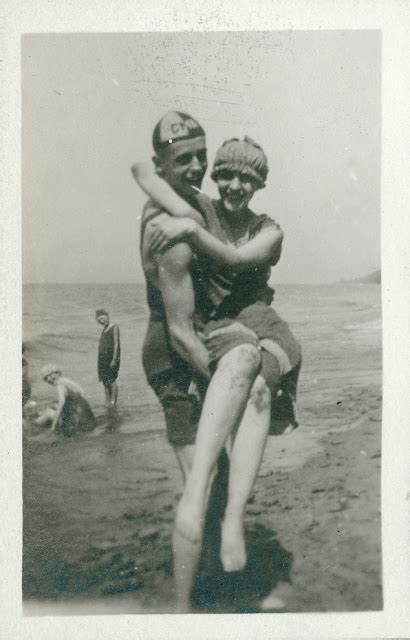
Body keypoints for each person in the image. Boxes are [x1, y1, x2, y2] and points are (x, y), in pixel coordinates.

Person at [133, 136, 301, 610]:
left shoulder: (269, 228)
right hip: (214, 341)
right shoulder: (202, 208)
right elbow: (147, 177)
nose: (233, 185)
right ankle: (193, 602)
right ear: (214, 176)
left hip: (259, 329)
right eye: (224, 173)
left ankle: (226, 541)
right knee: (206, 477)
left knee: (261, 389)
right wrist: (172, 212)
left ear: (260, 183)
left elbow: (236, 260)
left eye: (246, 178)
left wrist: (186, 231)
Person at [35, 364, 96, 436]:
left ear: (56, 373)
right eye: (45, 379)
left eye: (49, 376)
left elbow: (62, 402)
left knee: (48, 414)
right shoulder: (67, 382)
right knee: (53, 406)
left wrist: (53, 427)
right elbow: (76, 399)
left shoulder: (60, 384)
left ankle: (34, 424)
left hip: (77, 421)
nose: (48, 380)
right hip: (87, 418)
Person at [96, 309, 120, 408]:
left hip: (111, 357)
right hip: (102, 359)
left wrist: (114, 358)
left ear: (107, 316)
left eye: (102, 318)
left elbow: (116, 343)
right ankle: (107, 402)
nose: (102, 321)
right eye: (99, 320)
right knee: (105, 381)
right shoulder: (104, 330)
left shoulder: (114, 327)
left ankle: (113, 402)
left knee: (112, 380)